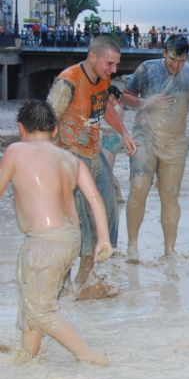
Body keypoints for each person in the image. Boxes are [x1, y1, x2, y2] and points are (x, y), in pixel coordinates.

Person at [0, 100, 112, 365]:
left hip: (43, 242)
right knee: (34, 304)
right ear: (54, 131)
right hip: (70, 239)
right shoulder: (72, 160)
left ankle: (89, 357)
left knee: (41, 310)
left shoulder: (15, 151)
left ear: (21, 129)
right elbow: (95, 198)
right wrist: (104, 239)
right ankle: (26, 362)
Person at [46, 35, 136, 285]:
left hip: (94, 155)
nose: (114, 70)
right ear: (92, 56)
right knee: (80, 225)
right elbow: (46, 120)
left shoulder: (103, 78)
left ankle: (88, 281)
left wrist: (123, 132)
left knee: (109, 212)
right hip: (69, 158)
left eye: (116, 65)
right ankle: (64, 284)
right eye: (110, 64)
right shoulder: (68, 82)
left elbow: (105, 108)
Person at [123, 34, 189, 263]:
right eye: (173, 59)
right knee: (139, 186)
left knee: (170, 196)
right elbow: (125, 96)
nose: (177, 65)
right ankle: (132, 246)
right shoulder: (147, 69)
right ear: (164, 53)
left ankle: (169, 250)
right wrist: (145, 103)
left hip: (174, 142)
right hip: (145, 137)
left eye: (181, 61)